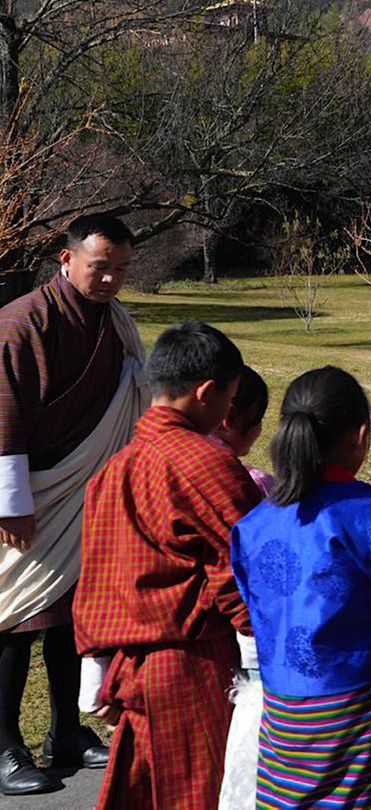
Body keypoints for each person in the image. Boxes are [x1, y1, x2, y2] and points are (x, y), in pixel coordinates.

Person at [73, 321, 262, 809]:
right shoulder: (205, 463)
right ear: (206, 392)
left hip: (133, 668)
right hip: (196, 667)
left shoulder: (113, 470)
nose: (227, 414)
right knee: (200, 795)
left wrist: (94, 667)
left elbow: (93, 579)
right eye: (230, 399)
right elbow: (247, 572)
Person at [231, 366, 371, 807]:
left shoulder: (252, 527)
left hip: (283, 724)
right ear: (360, 435)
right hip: (363, 725)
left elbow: (255, 620)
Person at [0, 214, 146, 795]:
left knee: (71, 618)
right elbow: (3, 417)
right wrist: (10, 504)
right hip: (27, 498)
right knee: (14, 620)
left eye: (122, 270)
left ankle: (67, 733)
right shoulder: (21, 323)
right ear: (67, 260)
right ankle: (6, 746)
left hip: (86, 490)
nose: (111, 279)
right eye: (100, 266)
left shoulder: (114, 323)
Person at [209, 365, 275, 496]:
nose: (260, 429)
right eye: (259, 419)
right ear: (231, 417)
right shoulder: (258, 485)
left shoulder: (172, 457)